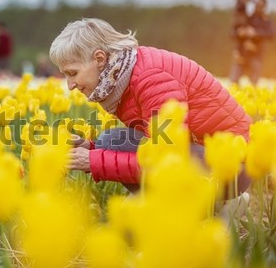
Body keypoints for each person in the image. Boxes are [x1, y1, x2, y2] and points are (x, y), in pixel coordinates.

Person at [49, 18, 252, 198]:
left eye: (72, 73)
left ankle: (208, 209)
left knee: (111, 143)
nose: (70, 85)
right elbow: (151, 143)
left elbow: (165, 157)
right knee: (109, 142)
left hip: (232, 169)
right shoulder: (124, 77)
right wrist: (90, 149)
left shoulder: (152, 78)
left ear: (100, 59)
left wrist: (93, 161)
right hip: (203, 154)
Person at [230, 0, 275, 85]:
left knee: (253, 83)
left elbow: (272, 34)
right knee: (234, 81)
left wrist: (256, 33)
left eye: (260, 5)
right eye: (256, 4)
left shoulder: (266, 21)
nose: (257, 7)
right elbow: (232, 33)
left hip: (256, 55)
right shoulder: (247, 18)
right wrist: (240, 33)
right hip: (242, 54)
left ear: (264, 7)